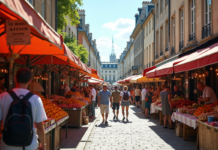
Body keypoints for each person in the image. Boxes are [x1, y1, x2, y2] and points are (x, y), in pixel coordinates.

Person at [0, 68, 47, 150]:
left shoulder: (2, 97)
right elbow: (39, 126)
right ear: (30, 81)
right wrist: (43, 144)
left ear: (15, 79)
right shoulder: (36, 99)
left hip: (7, 144)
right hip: (30, 145)